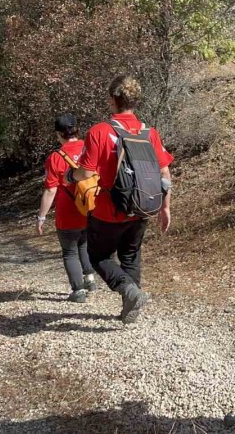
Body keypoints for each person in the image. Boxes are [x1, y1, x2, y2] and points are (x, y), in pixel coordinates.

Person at [71, 75, 173, 324]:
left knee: (99, 256)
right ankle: (132, 303)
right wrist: (165, 206)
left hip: (109, 209)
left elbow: (84, 172)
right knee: (130, 255)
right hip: (142, 206)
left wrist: (70, 174)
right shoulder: (149, 132)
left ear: (112, 100)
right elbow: (164, 173)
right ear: (135, 101)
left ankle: (130, 293)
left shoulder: (100, 131)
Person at [37, 114, 98, 303]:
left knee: (70, 251)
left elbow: (50, 190)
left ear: (58, 134)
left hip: (68, 212)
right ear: (77, 130)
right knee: (84, 243)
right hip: (91, 208)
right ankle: (90, 279)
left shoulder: (55, 158)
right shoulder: (90, 149)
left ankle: (78, 291)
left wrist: (41, 217)